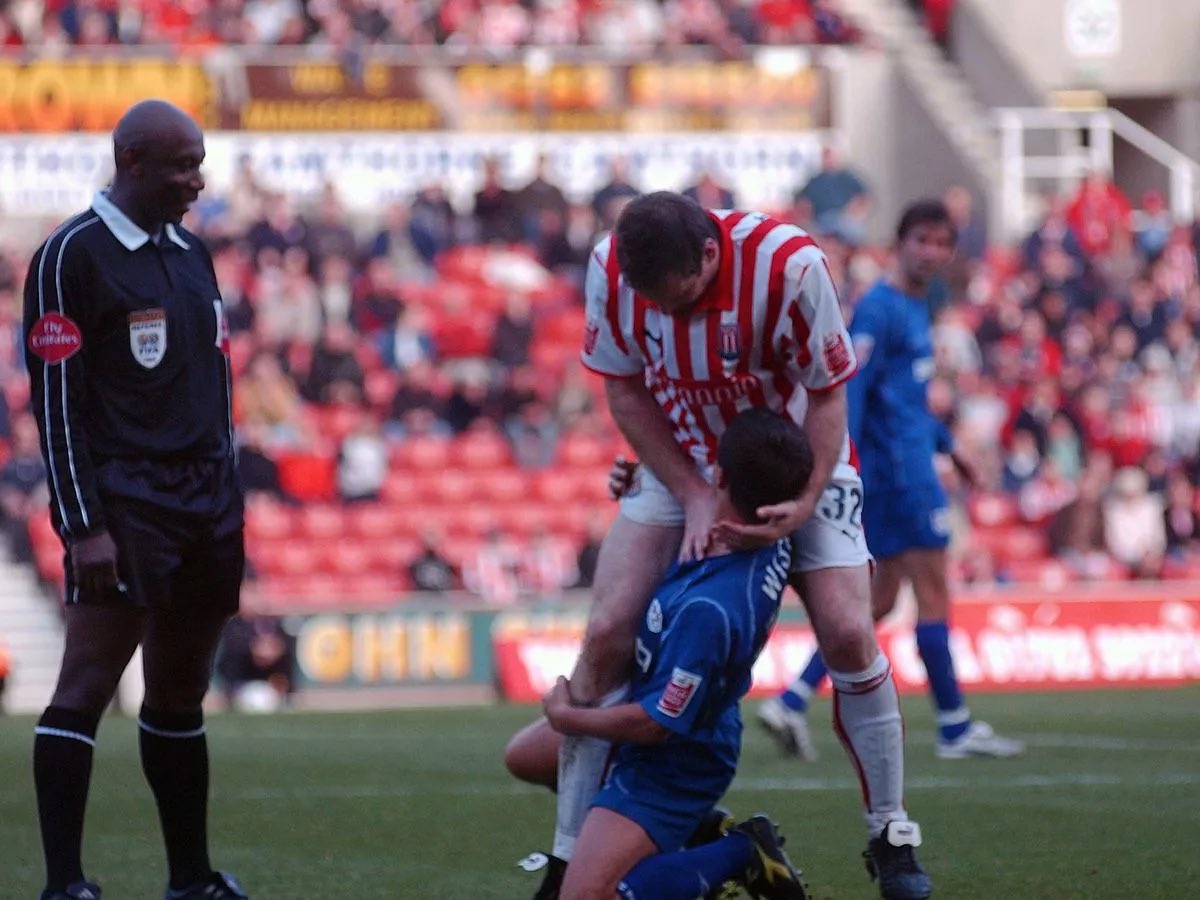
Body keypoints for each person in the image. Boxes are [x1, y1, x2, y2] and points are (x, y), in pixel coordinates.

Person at [533, 191, 930, 900]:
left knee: (846, 630)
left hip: (792, 453)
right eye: (650, 302)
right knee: (604, 633)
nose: (665, 316)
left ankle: (891, 832)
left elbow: (830, 395)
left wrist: (803, 502)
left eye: (678, 300)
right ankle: (567, 859)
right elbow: (624, 391)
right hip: (682, 454)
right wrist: (690, 492)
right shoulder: (609, 267)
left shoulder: (790, 266)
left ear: (710, 256)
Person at [22, 99, 248, 900]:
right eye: (182, 165)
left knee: (181, 690)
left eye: (199, 162)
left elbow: (212, 377)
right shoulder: (68, 257)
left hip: (206, 504)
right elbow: (56, 405)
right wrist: (83, 525)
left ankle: (190, 879)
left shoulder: (191, 251)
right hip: (125, 505)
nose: (197, 179)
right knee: (84, 688)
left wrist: (227, 488)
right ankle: (63, 885)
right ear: (134, 164)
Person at [506, 408, 813, 900]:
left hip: (675, 758)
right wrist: (644, 480)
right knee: (524, 757)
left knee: (583, 897)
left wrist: (569, 718)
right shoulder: (757, 536)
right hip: (663, 709)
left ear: (720, 476)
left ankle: (742, 852)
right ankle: (696, 830)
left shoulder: (709, 609)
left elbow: (656, 725)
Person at [759, 200, 1025, 763]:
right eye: (921, 240)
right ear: (899, 242)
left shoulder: (912, 306)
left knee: (876, 602)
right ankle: (954, 726)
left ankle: (792, 697)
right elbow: (849, 391)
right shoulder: (880, 308)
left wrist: (950, 446)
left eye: (941, 242)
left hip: (908, 461)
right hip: (898, 474)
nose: (931, 252)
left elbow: (903, 400)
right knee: (932, 592)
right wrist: (840, 462)